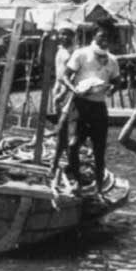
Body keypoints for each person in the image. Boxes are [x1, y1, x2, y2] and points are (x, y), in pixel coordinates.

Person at [61, 20, 122, 194]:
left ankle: (99, 187)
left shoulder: (112, 60)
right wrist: (74, 89)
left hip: (98, 107)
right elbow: (66, 76)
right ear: (94, 35)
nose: (105, 40)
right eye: (102, 35)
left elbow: (117, 81)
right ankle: (77, 181)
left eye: (108, 37)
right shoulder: (81, 54)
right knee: (73, 144)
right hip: (80, 105)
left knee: (99, 148)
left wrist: (112, 89)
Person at [51, 23, 77, 176]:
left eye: (67, 34)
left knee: (63, 129)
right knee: (62, 131)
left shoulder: (75, 52)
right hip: (59, 90)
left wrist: (63, 93)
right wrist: (56, 91)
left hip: (69, 93)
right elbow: (58, 73)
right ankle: (67, 163)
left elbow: (72, 76)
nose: (64, 37)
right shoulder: (60, 50)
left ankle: (55, 164)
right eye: (62, 33)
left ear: (73, 36)